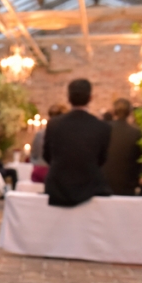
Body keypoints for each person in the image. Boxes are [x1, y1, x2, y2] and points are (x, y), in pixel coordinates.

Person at [43, 79, 111, 207]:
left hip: (58, 187)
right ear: (91, 98)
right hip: (90, 187)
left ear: (68, 98)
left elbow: (47, 155)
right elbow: (102, 159)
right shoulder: (102, 127)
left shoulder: (54, 124)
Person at [103, 98, 142, 196]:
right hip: (128, 185)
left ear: (113, 112)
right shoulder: (136, 133)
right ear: (130, 112)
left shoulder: (104, 129)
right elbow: (140, 160)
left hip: (105, 184)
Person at [31, 104, 67, 183]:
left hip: (39, 171)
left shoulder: (40, 134)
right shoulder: (66, 135)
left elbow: (33, 156)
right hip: (56, 174)